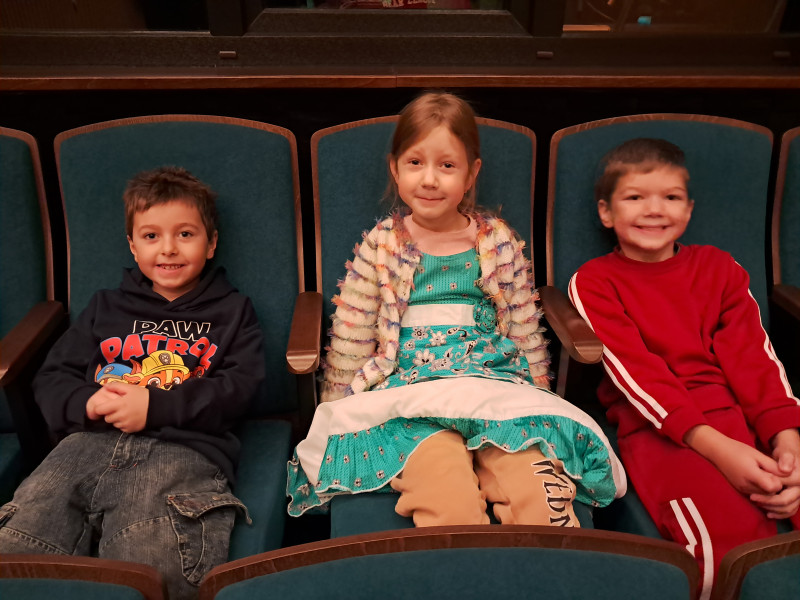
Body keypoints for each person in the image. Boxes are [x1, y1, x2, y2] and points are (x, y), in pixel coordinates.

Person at [287, 91, 625, 527]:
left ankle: (547, 557)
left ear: (471, 174)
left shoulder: (497, 241)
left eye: (447, 166)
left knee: (536, 491)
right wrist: (338, 411)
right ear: (395, 168)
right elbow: (352, 334)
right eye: (415, 163)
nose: (429, 179)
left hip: (494, 385)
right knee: (446, 496)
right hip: (409, 395)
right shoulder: (381, 243)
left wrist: (539, 397)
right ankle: (459, 558)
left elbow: (524, 329)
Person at [0, 167, 265, 600]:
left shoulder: (233, 312)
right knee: (20, 551)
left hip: (179, 452)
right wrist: (88, 402)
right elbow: (52, 377)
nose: (168, 248)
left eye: (185, 234)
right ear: (132, 245)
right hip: (84, 446)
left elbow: (240, 387)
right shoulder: (106, 306)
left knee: (152, 569)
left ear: (211, 243)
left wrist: (154, 407)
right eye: (151, 236)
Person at [568, 138, 800, 599]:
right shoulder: (594, 281)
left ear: (688, 210)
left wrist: (787, 441)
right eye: (635, 197)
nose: (655, 209)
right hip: (657, 428)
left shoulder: (720, 268)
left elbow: (754, 358)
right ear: (606, 213)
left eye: (671, 197)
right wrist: (721, 450)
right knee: (722, 549)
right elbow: (639, 378)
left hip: (736, 413)